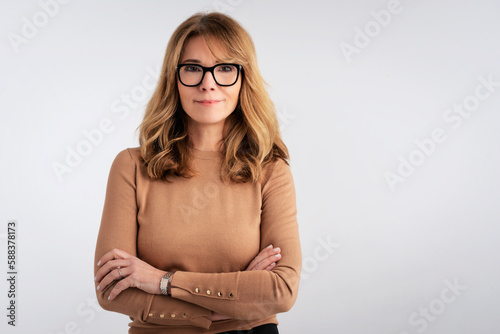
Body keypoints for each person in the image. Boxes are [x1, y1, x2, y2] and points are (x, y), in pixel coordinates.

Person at [94, 12, 301, 334]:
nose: (208, 83)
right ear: (173, 78)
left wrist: (160, 281)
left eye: (225, 69)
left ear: (244, 78)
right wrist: (229, 299)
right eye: (192, 68)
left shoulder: (270, 169)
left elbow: (281, 291)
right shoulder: (131, 166)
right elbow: (111, 289)